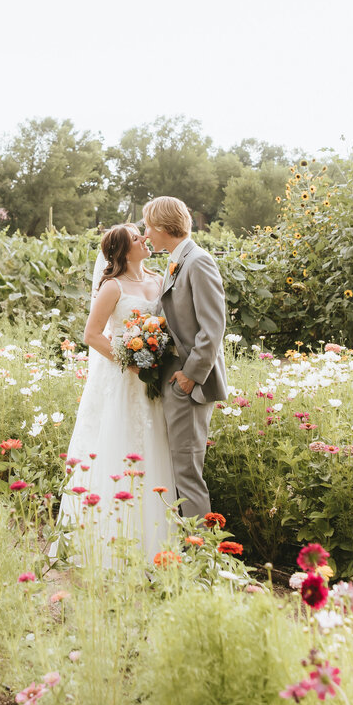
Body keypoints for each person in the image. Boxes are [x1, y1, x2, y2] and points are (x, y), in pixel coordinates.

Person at [53, 224, 176, 564]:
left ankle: (156, 543)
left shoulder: (159, 277)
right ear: (123, 251)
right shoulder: (112, 287)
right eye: (137, 238)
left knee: (153, 446)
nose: (144, 239)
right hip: (123, 377)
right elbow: (92, 334)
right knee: (119, 445)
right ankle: (110, 545)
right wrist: (131, 361)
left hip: (154, 375)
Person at [143, 195, 228, 519]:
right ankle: (185, 550)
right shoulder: (177, 260)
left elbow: (213, 325)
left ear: (165, 227)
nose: (147, 233)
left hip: (190, 383)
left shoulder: (199, 261)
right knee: (178, 469)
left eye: (149, 226)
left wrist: (190, 376)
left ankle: (199, 557)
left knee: (188, 474)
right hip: (174, 377)